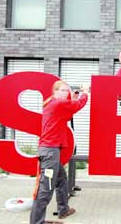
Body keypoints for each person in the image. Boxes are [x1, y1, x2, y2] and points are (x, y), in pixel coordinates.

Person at [30, 80, 89, 224]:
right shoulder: (57, 103)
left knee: (61, 178)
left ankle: (63, 209)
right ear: (55, 91)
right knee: (46, 189)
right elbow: (77, 106)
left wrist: (73, 98)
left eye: (66, 90)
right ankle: (37, 222)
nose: (65, 93)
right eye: (62, 90)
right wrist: (85, 93)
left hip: (51, 151)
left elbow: (67, 115)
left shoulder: (54, 104)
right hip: (50, 152)